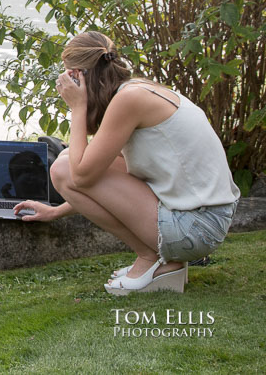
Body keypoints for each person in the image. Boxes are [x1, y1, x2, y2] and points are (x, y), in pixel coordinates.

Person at [13, 31, 241, 295]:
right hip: (201, 220)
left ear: (79, 75)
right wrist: (56, 211)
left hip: (196, 228)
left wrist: (77, 107)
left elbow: (82, 177)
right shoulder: (135, 90)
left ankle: (151, 258)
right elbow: (98, 180)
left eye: (68, 76)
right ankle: (163, 260)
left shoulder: (129, 100)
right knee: (66, 162)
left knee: (65, 168)